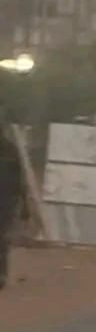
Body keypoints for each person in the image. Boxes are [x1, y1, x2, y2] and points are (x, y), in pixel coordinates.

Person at [0, 122, 29, 289]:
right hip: (8, 200)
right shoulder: (11, 149)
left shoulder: (11, 150)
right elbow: (21, 178)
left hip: (6, 200)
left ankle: (2, 274)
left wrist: (25, 204)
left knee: (2, 238)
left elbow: (20, 179)